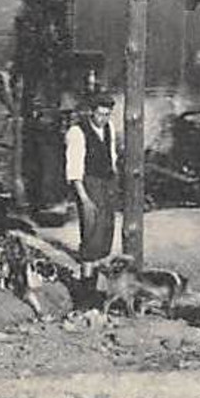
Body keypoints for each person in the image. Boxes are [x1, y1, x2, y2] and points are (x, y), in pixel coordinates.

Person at [64, 94, 120, 273]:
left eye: (107, 114)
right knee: (92, 233)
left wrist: (114, 180)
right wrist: (84, 199)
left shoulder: (109, 128)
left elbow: (111, 156)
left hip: (107, 182)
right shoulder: (77, 132)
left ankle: (98, 277)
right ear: (91, 112)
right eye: (100, 114)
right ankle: (86, 285)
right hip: (89, 184)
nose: (104, 119)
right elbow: (74, 169)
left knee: (107, 229)